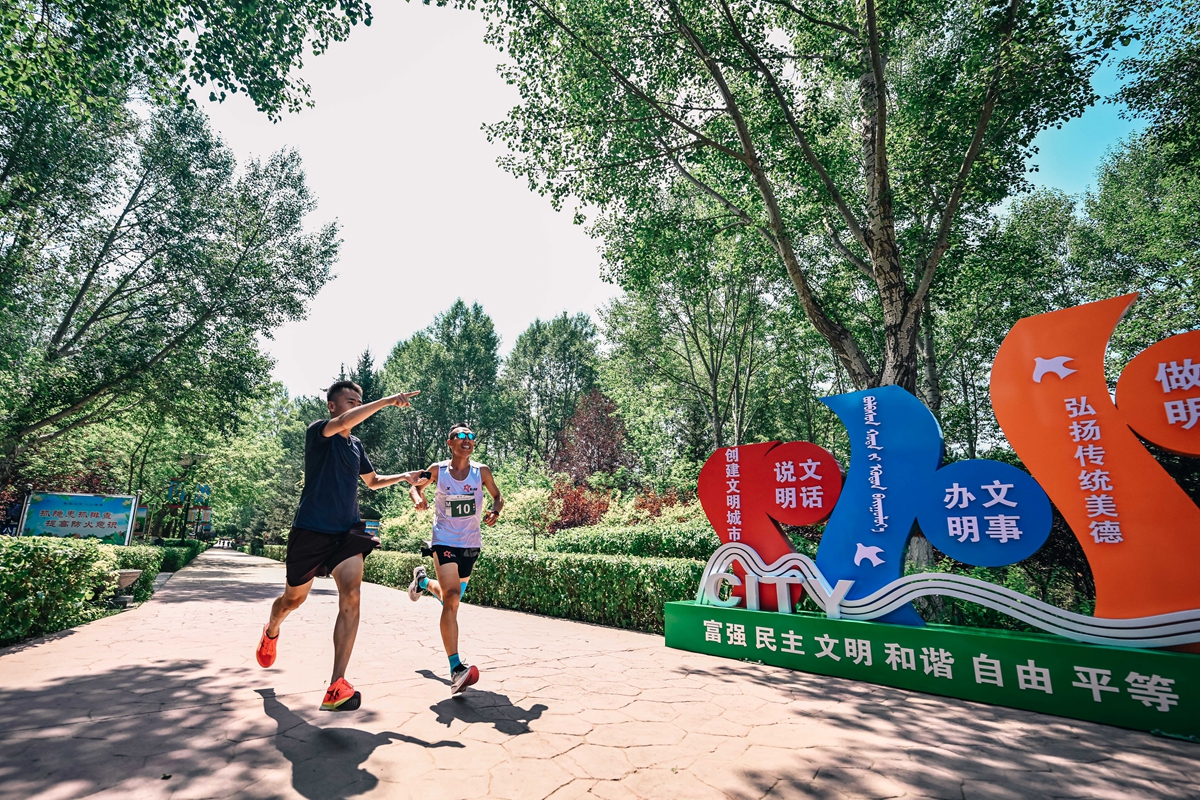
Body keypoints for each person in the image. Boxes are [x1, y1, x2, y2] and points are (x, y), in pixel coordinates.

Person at [255, 379, 423, 712]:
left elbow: (372, 482)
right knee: (292, 599)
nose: (355, 406)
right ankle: (271, 629)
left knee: (352, 593)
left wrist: (404, 477)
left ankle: (336, 685)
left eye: (358, 401)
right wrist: (388, 401)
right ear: (333, 406)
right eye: (350, 401)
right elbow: (346, 423)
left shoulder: (356, 446)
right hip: (311, 530)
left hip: (346, 532)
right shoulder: (320, 432)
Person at [406, 423, 502, 694]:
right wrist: (418, 498)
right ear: (450, 443)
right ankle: (456, 668)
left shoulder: (481, 471)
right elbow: (415, 487)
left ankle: (423, 582)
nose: (467, 440)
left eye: (471, 436)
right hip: (444, 539)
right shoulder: (437, 470)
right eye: (460, 436)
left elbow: (498, 497)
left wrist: (494, 511)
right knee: (451, 598)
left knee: (453, 599)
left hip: (471, 543)